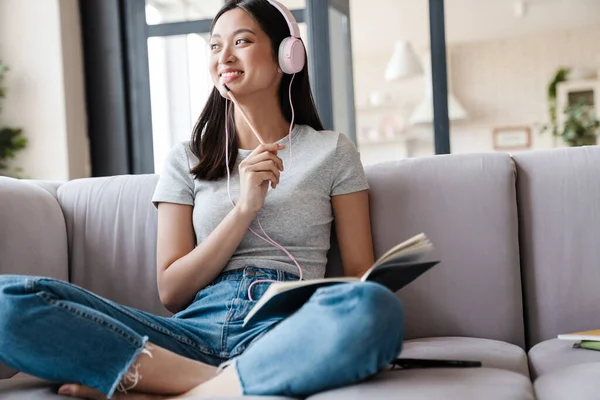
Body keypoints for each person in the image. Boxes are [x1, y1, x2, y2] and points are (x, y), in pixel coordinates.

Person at [0, 1, 404, 399]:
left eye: (241, 41)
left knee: (373, 305)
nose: (223, 55)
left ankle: (170, 386)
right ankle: (214, 384)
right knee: (7, 304)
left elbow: (358, 276)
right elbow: (172, 291)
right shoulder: (186, 158)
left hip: (285, 329)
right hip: (188, 334)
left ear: (288, 56)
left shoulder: (331, 151)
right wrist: (244, 209)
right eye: (214, 45)